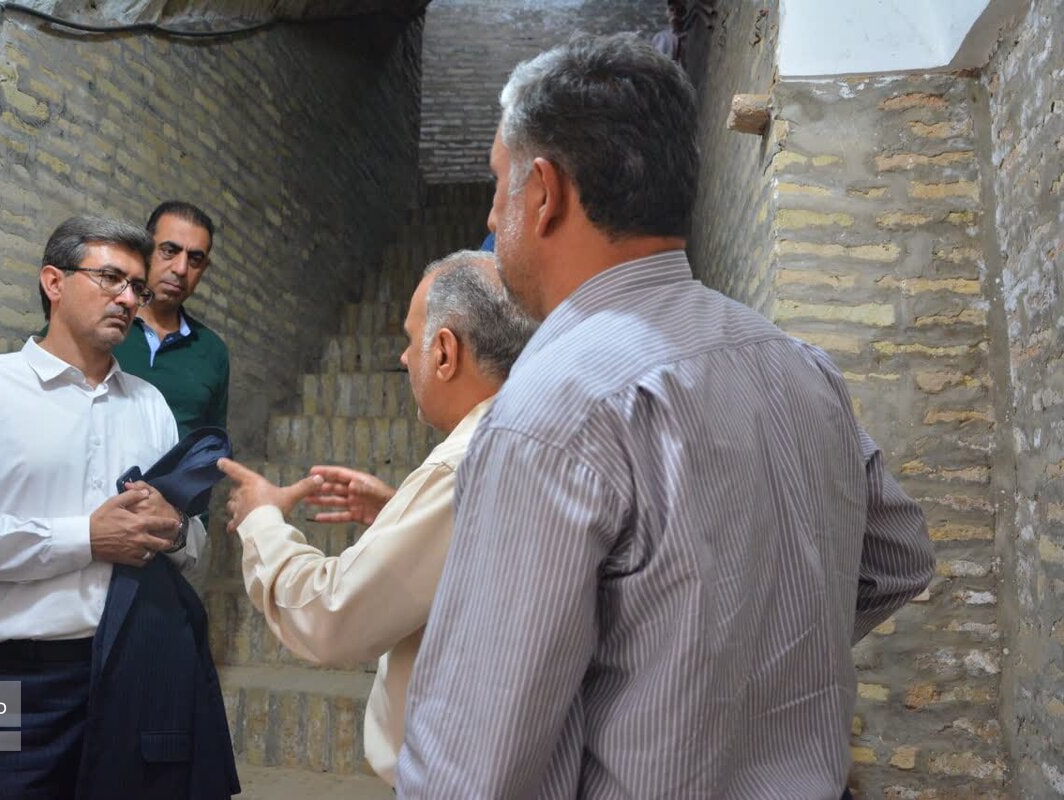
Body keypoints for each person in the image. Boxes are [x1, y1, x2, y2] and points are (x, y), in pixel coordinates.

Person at [397, 34, 935, 799]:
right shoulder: (798, 366)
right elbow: (898, 557)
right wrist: (749, 655)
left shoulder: (550, 411)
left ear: (544, 193)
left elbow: (472, 766)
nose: (491, 213)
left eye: (496, 184)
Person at [0, 216, 236, 800]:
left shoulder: (151, 406)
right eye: (110, 278)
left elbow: (190, 544)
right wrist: (85, 538)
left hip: (126, 668)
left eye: (137, 287)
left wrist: (178, 530)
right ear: (54, 282)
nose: (128, 298)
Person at [216, 251, 535, 786]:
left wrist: (262, 517)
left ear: (445, 352)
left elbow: (329, 616)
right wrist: (401, 514)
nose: (404, 358)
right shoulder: (527, 430)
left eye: (411, 340)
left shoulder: (462, 465)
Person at [114, 201, 229, 437]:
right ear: (145, 250)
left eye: (195, 259)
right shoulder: (101, 322)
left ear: (204, 268)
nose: (181, 269)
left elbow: (210, 446)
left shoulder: (212, 350)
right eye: (169, 251)